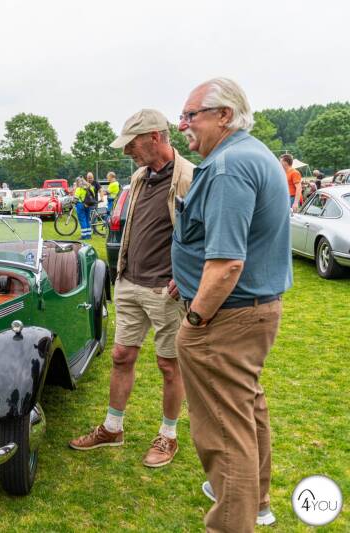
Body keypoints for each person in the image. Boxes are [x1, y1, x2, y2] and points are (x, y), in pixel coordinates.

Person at [174, 78, 291, 531]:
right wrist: (185, 278)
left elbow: (226, 265)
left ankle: (232, 519)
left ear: (224, 115)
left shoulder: (228, 167)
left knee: (224, 432)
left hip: (225, 318)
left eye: (191, 115)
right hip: (247, 311)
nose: (183, 125)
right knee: (245, 410)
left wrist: (195, 318)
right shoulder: (252, 155)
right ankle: (256, 501)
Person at [70, 109, 193, 470]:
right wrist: (121, 274)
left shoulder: (189, 177)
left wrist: (187, 275)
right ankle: (112, 428)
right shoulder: (140, 176)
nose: (127, 152)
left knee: (169, 365)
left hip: (166, 290)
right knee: (122, 355)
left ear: (155, 137)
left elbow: (205, 234)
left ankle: (168, 435)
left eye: (132, 144)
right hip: (129, 282)